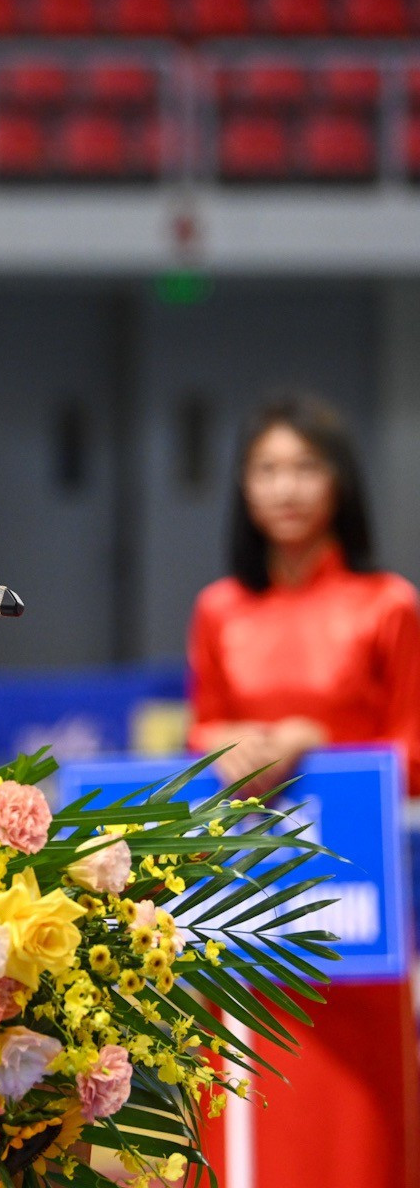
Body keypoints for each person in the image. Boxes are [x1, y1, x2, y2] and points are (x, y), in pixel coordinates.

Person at [187, 394, 420, 1188]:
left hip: (356, 898)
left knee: (353, 1124)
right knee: (249, 1096)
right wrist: (222, 746)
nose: (286, 488)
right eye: (267, 470)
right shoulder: (219, 610)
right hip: (247, 897)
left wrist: (313, 742)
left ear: (340, 485)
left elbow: (414, 748)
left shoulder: (388, 604)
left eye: (305, 468)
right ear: (244, 489)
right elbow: (201, 729)